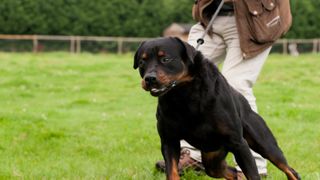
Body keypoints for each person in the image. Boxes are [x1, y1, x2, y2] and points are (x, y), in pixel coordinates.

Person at [156, 0, 292, 178]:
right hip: (210, 17)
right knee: (179, 81)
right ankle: (195, 156)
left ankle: (254, 168)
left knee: (236, 85)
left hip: (255, 18)